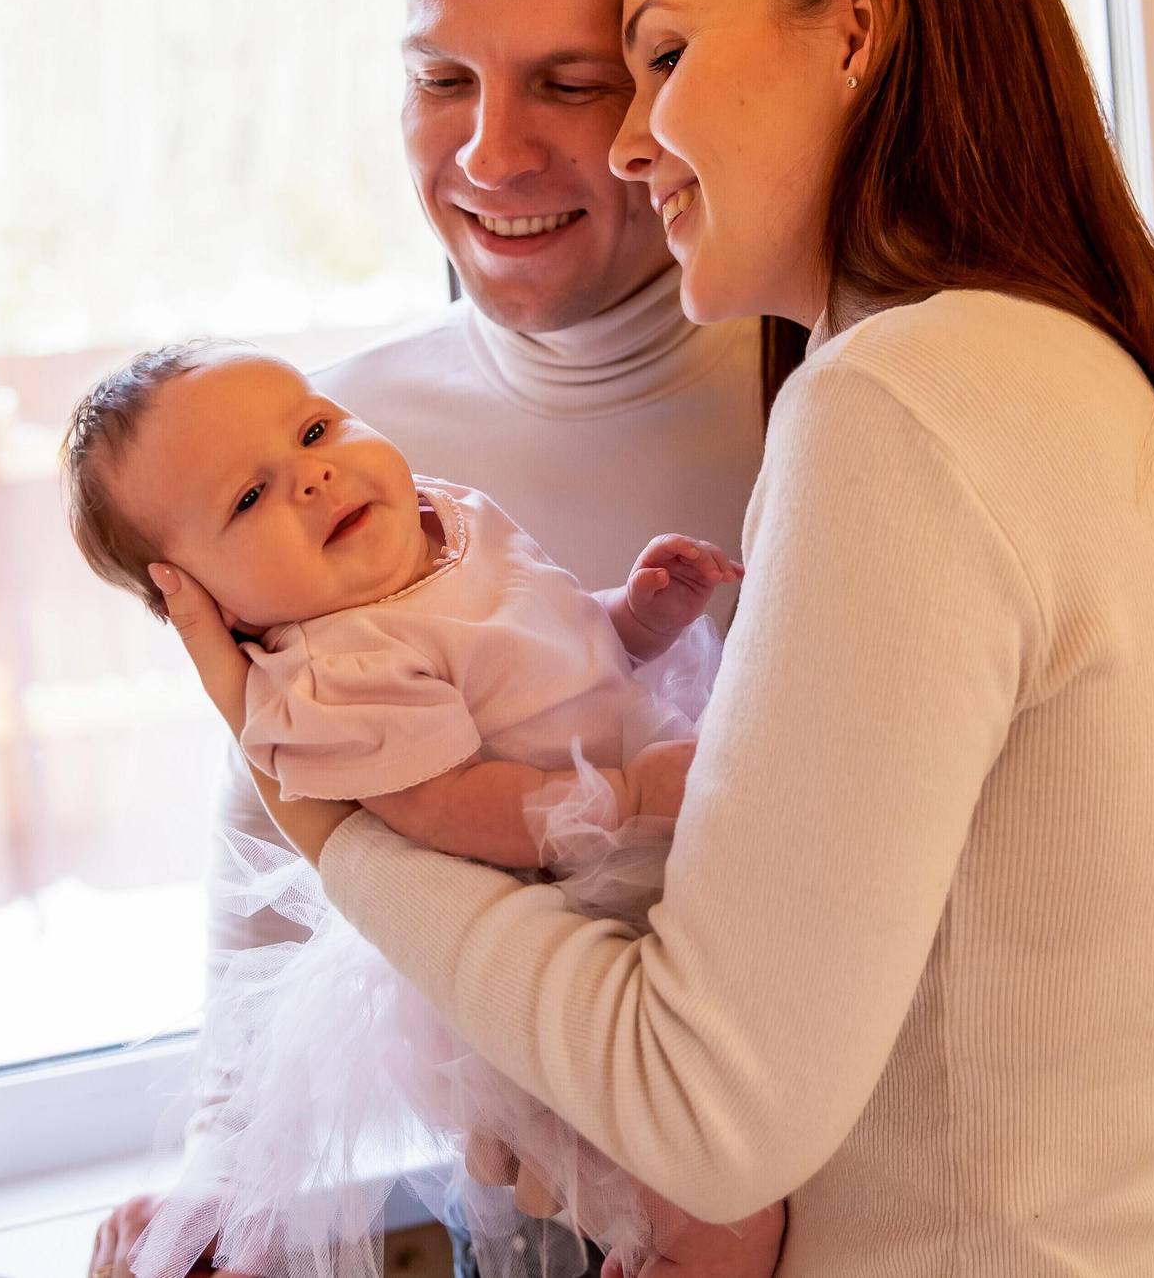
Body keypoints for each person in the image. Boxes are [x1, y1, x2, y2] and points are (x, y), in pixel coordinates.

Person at [88, 0, 1154, 1278]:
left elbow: (923, 946)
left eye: (597, 72)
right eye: (440, 76)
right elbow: (273, 874)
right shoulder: (332, 447)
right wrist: (222, 1173)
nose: (500, 149)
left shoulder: (861, 399)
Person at [61, 342, 774, 1278]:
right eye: (248, 498)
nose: (313, 476)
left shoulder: (444, 523)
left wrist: (635, 617)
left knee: (736, 1151)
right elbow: (445, 806)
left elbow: (553, 653)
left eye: (314, 429)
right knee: (713, 1204)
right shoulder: (333, 671)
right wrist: (630, 796)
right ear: (209, 606)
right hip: (551, 927)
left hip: (631, 844)